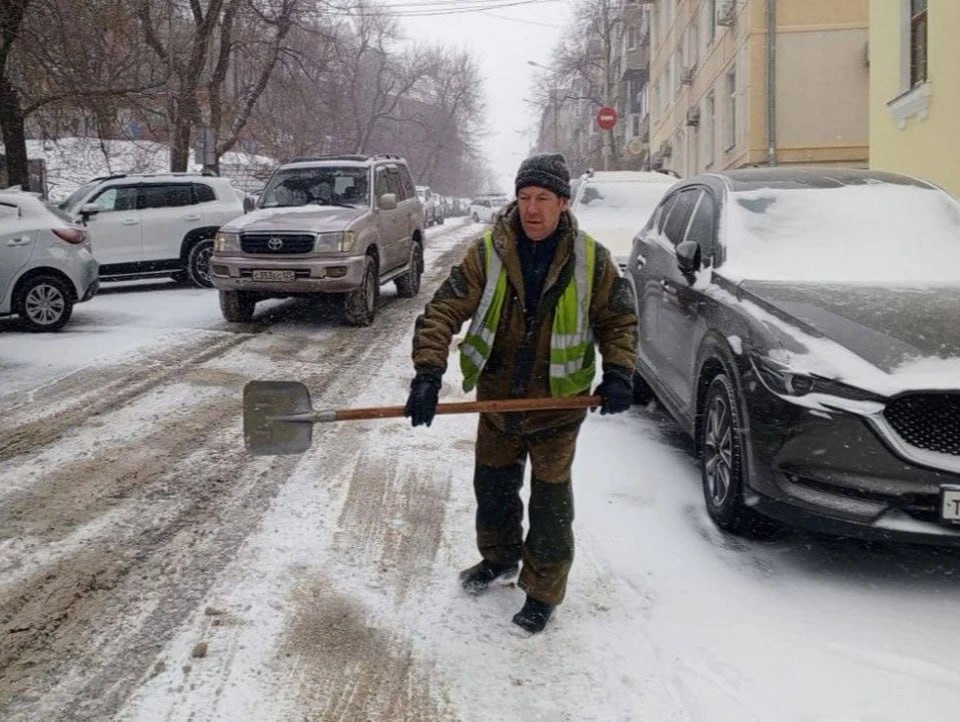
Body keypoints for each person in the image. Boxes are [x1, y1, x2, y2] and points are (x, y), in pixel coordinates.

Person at [403, 152, 637, 634]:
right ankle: (500, 558)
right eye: (525, 197)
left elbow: (618, 320)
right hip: (499, 402)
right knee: (493, 488)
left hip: (558, 405)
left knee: (550, 505)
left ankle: (543, 592)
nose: (532, 209)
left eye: (543, 199)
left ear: (564, 203)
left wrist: (619, 372)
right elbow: (443, 310)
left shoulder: (592, 260)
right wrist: (428, 373)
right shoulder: (487, 252)